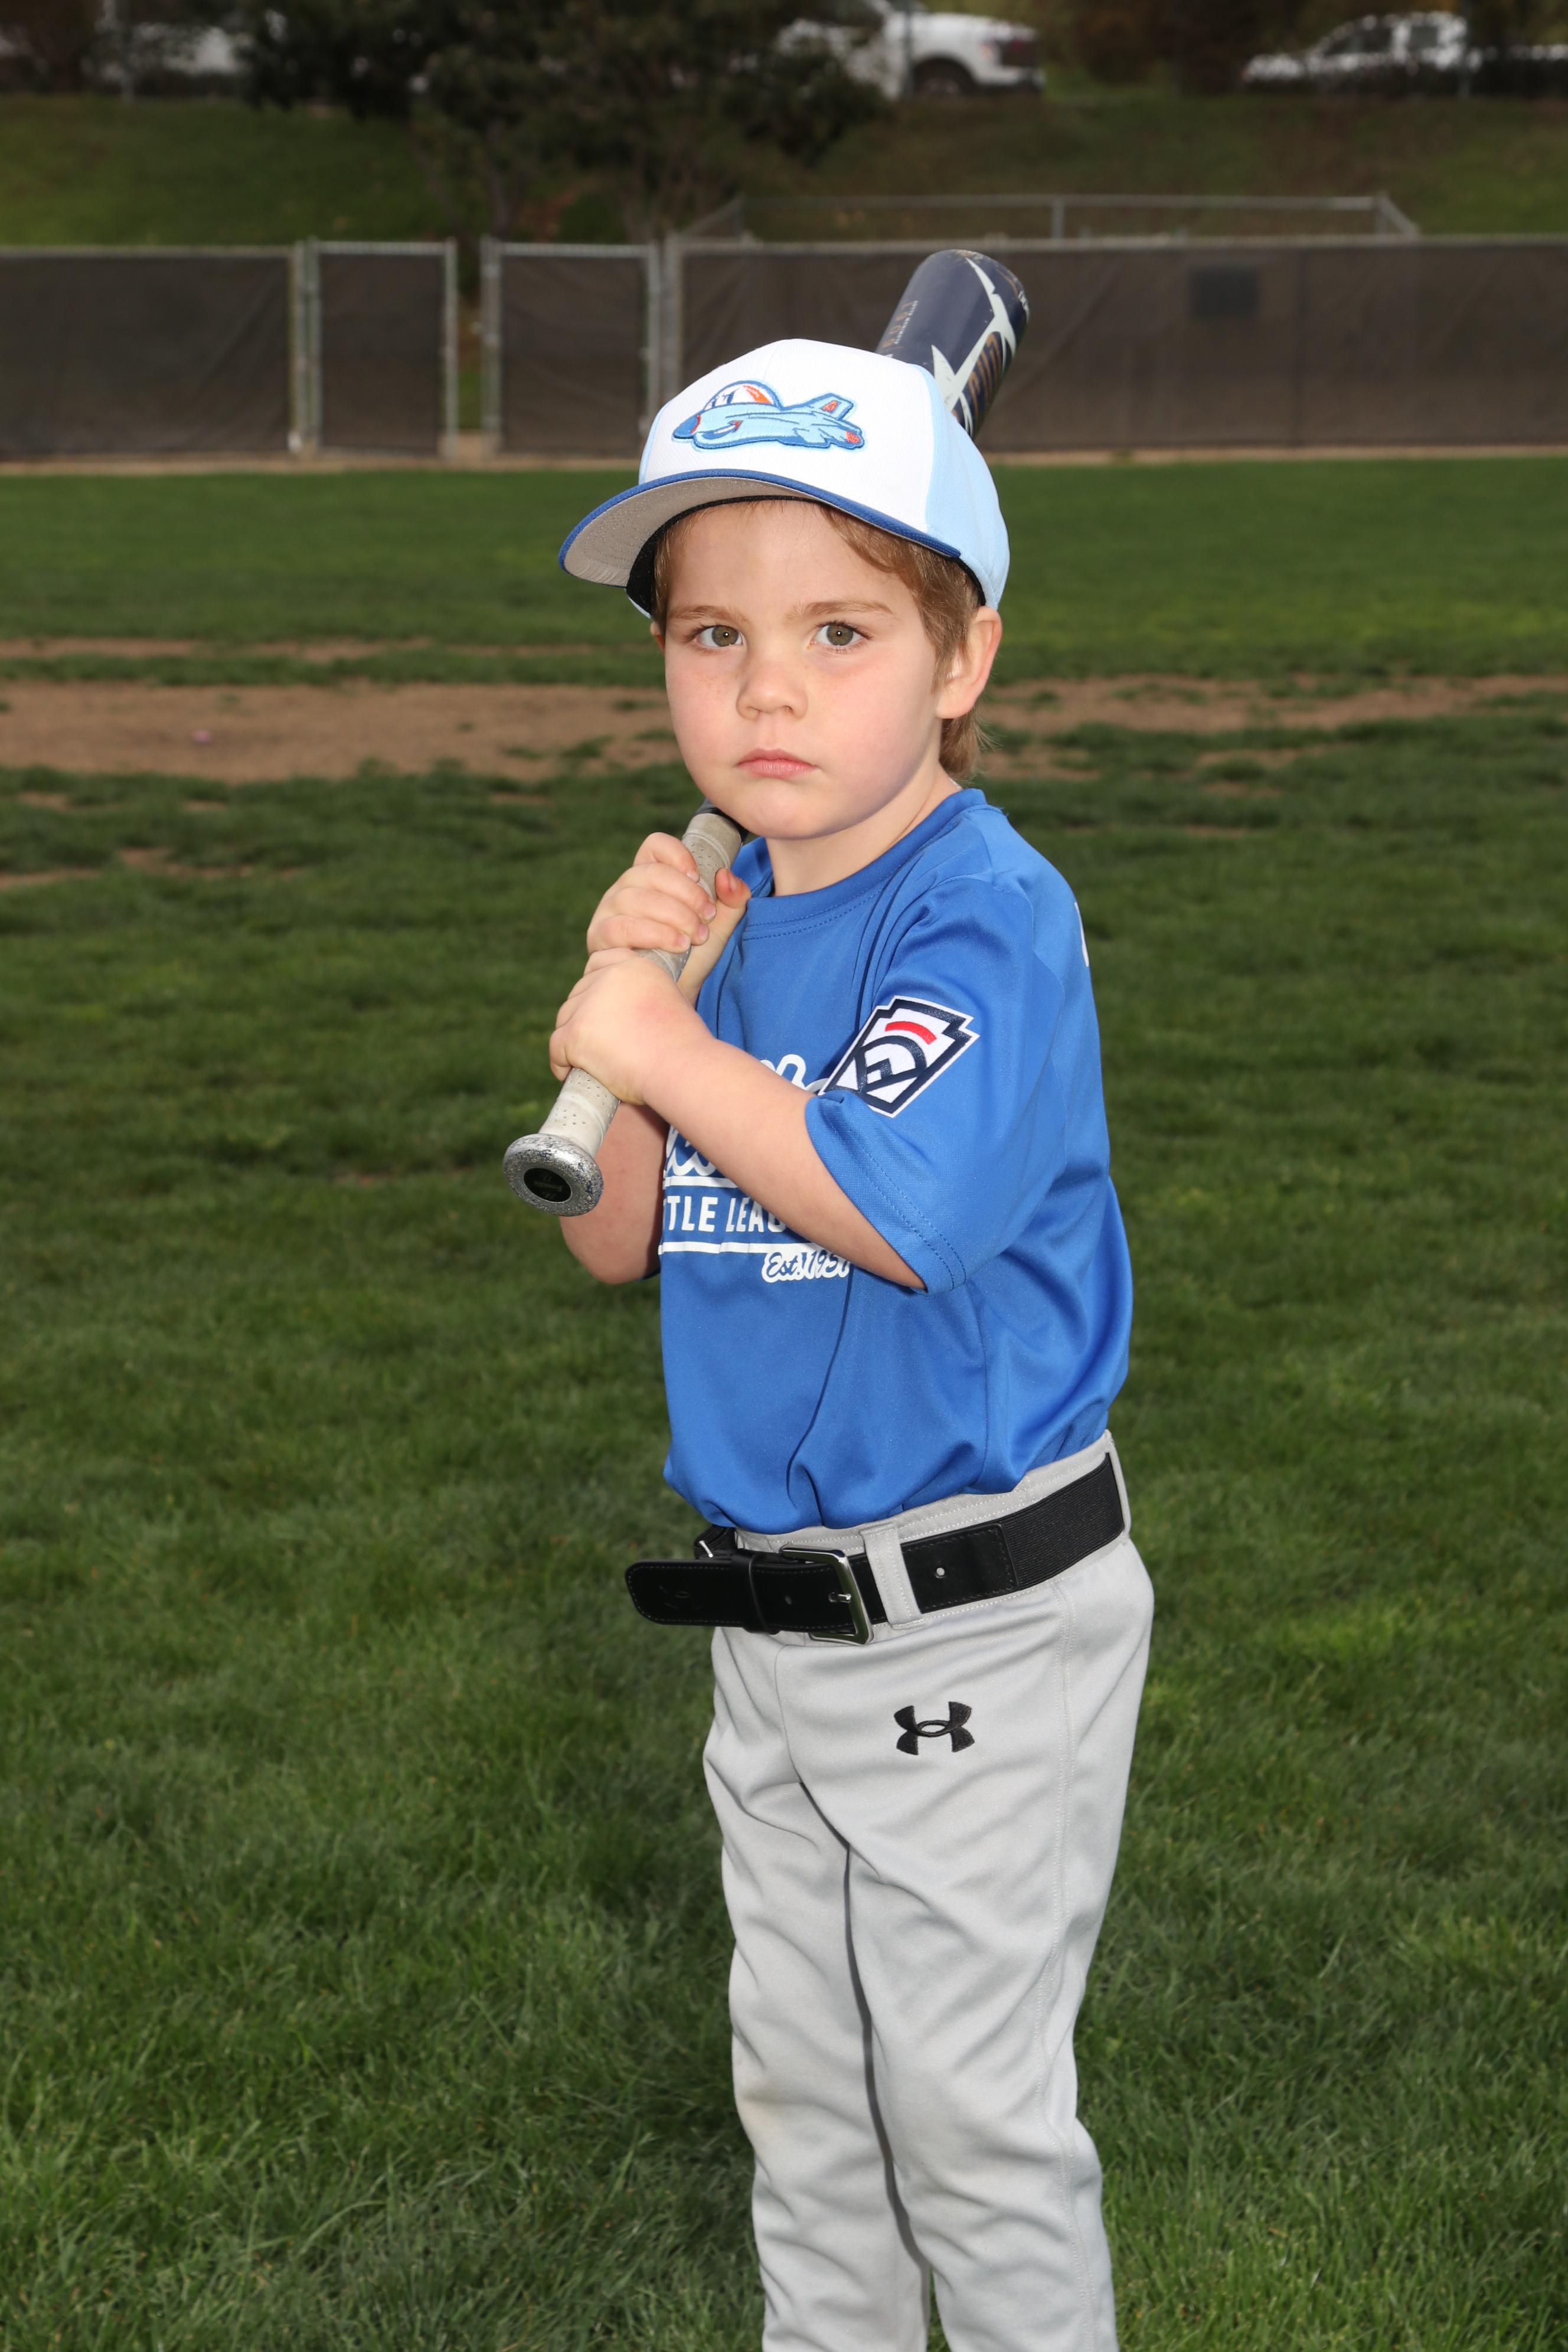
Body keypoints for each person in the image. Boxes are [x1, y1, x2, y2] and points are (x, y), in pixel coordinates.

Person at [547, 337, 1154, 2352]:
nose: (769, 692)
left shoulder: (988, 912)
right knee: (810, 2122)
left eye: (840, 630)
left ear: (963, 661)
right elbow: (616, 1241)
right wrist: (637, 1006)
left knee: (968, 2129)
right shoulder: (730, 914)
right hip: (776, 1627)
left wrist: (667, 1047)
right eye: (712, 635)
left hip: (972, 1621)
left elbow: (899, 1205)